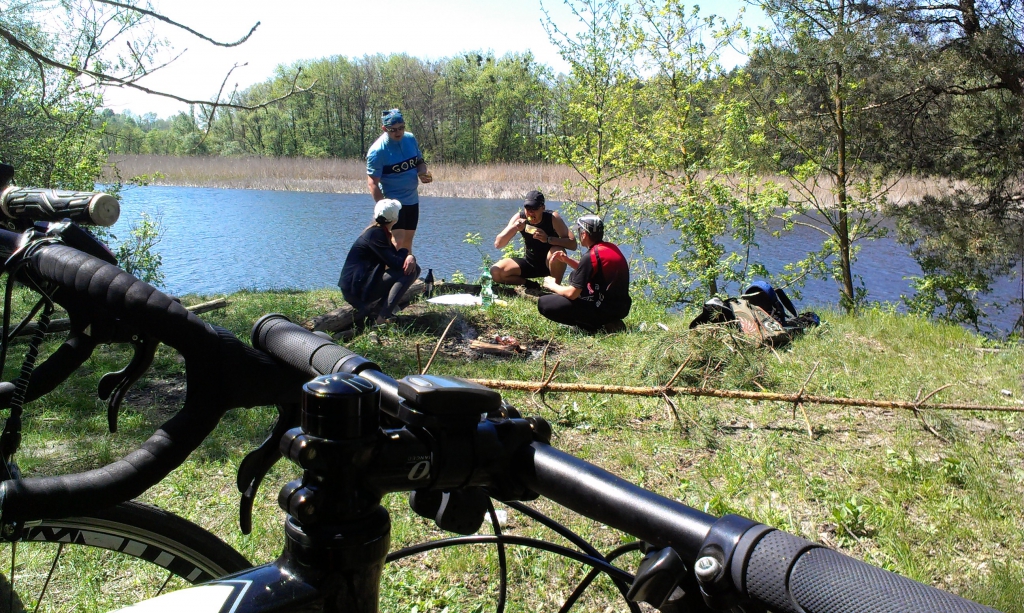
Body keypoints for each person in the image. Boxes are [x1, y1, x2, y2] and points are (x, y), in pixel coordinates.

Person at [538, 215, 631, 332]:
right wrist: (567, 260)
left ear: (584, 234)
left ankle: (592, 327)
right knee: (574, 275)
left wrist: (552, 285)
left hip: (602, 310)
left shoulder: (591, 256)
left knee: (544, 303)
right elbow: (590, 269)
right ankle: (611, 322)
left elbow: (572, 294)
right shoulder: (610, 248)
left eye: (579, 231)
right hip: (621, 308)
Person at [338, 199, 420, 326]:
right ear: (395, 218)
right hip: (355, 291)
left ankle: (378, 311)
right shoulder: (375, 234)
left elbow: (394, 258)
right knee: (410, 271)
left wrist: (409, 256)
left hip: (360, 285)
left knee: (412, 268)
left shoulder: (378, 232)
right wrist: (406, 252)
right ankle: (382, 318)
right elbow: (396, 263)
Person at [366, 109, 432, 252]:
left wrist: (422, 173)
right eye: (393, 129)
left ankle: (406, 267)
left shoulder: (410, 139)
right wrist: (384, 208)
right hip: (393, 201)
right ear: (384, 129)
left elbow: (419, 162)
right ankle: (389, 266)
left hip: (412, 200)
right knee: (397, 241)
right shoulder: (377, 151)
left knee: (407, 241)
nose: (398, 132)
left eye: (401, 128)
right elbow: (372, 183)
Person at [491, 190, 577, 289]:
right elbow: (498, 244)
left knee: (557, 252)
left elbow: (573, 244)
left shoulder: (552, 218)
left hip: (550, 264)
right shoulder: (520, 218)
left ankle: (555, 288)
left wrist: (548, 239)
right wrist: (514, 227)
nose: (530, 212)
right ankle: (530, 284)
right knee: (496, 272)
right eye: (528, 208)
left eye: (535, 208)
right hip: (529, 263)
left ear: (543, 208)